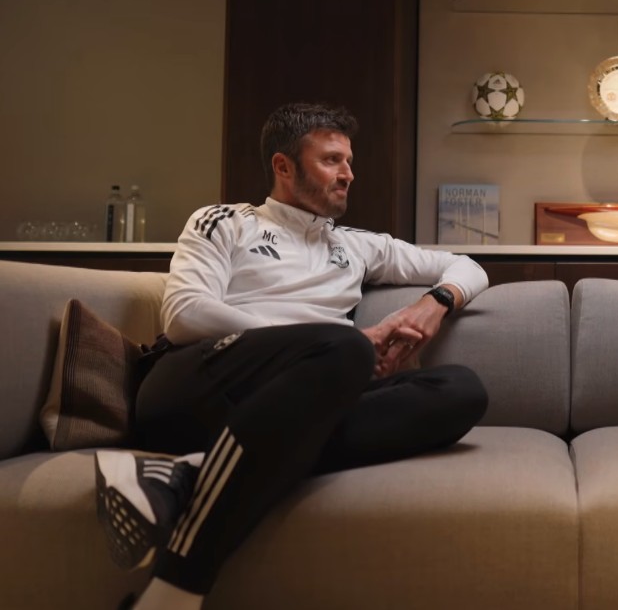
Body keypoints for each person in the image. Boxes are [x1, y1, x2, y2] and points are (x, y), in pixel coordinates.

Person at [94, 102, 489, 610]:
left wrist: (433, 304)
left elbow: (467, 265)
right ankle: (181, 582)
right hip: (197, 387)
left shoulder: (357, 246)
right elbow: (186, 315)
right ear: (283, 166)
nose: (348, 174)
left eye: (348, 161)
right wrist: (319, 341)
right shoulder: (225, 221)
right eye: (331, 160)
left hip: (298, 405)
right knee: (345, 346)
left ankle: (197, 472)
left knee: (460, 390)